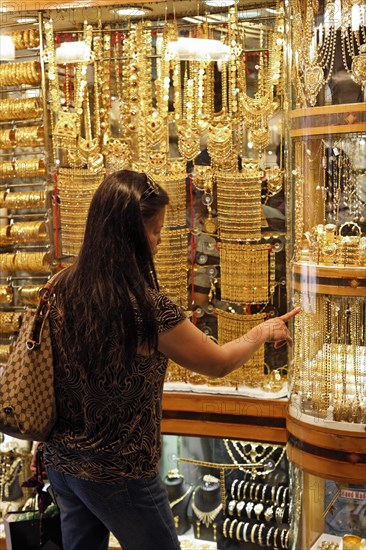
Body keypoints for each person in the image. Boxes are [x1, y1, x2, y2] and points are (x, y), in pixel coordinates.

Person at [42, 169, 300, 550]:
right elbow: (217, 363)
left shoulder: (61, 285)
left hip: (62, 463)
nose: (159, 242)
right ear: (129, 234)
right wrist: (260, 331)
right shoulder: (146, 309)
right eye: (155, 230)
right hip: (120, 471)